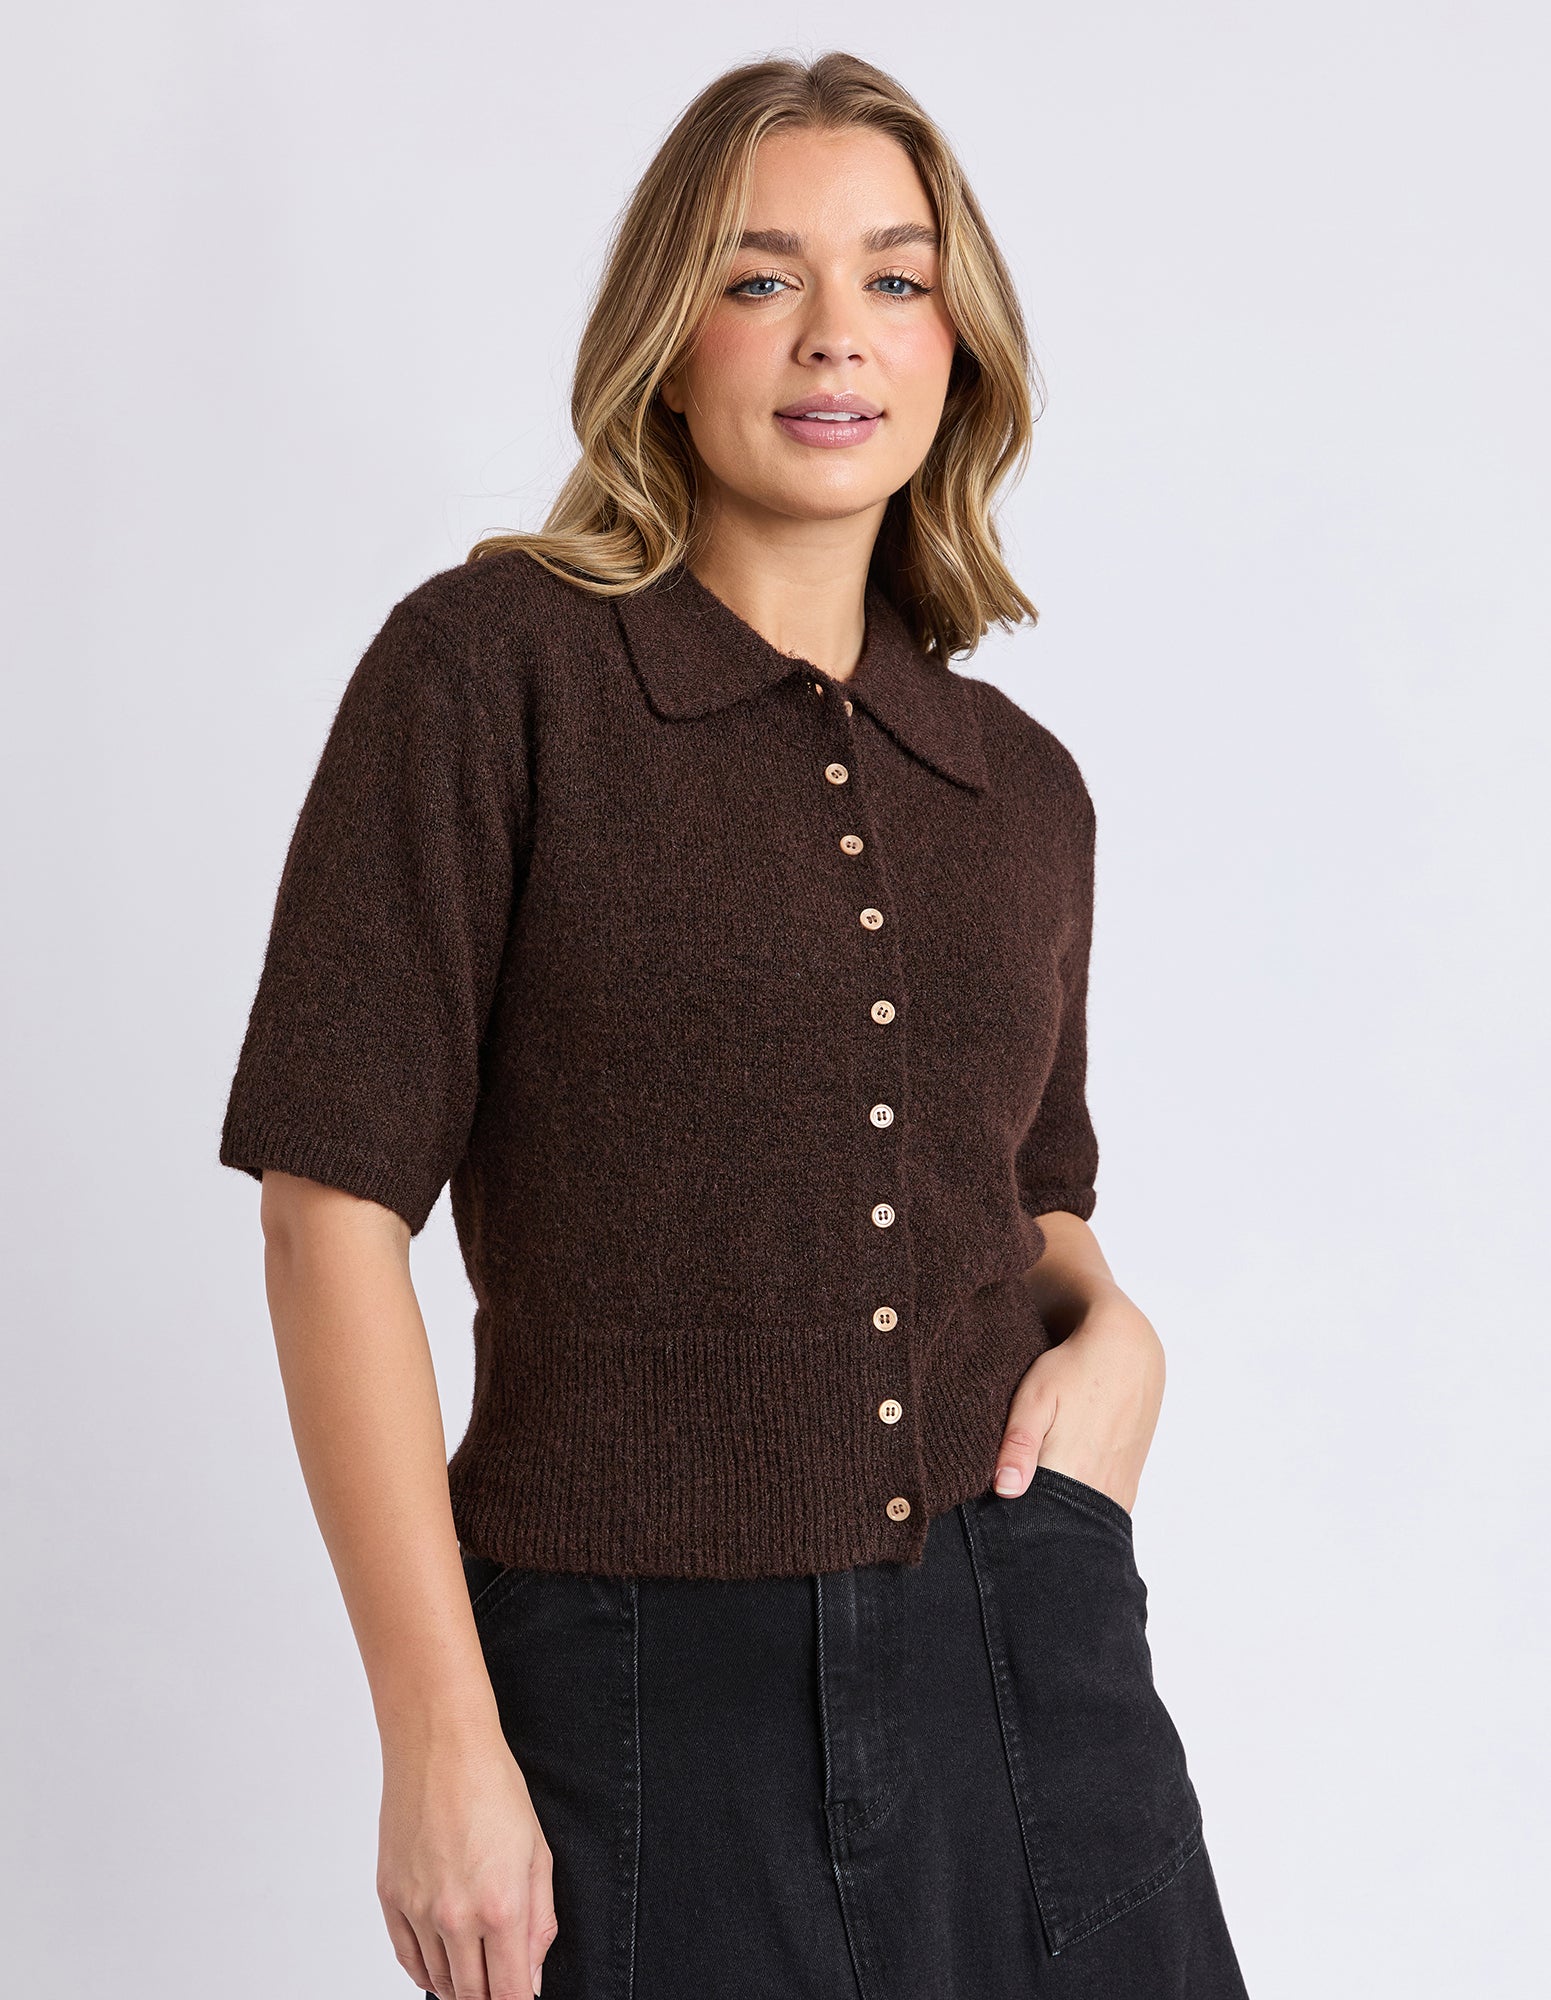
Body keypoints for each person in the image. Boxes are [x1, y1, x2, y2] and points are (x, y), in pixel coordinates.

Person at [219, 49, 1252, 2000]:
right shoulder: (492, 676)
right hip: (630, 1692)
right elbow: (326, 1208)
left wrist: (1115, 1333)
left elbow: (1024, 1195)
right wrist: (437, 1736)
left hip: (1022, 1654)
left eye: (895, 277)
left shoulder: (1020, 784)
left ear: (956, 348)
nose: (833, 331)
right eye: (761, 275)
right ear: (665, 341)